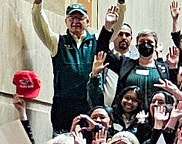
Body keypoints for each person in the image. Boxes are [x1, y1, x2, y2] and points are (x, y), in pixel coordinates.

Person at [30, 0, 117, 133]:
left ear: (87, 22)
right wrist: (38, 5)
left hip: (89, 104)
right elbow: (41, 27)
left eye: (80, 18)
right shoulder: (57, 42)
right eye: (72, 18)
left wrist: (121, 7)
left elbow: (113, 29)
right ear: (66, 22)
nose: (75, 21)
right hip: (63, 106)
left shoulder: (96, 42)